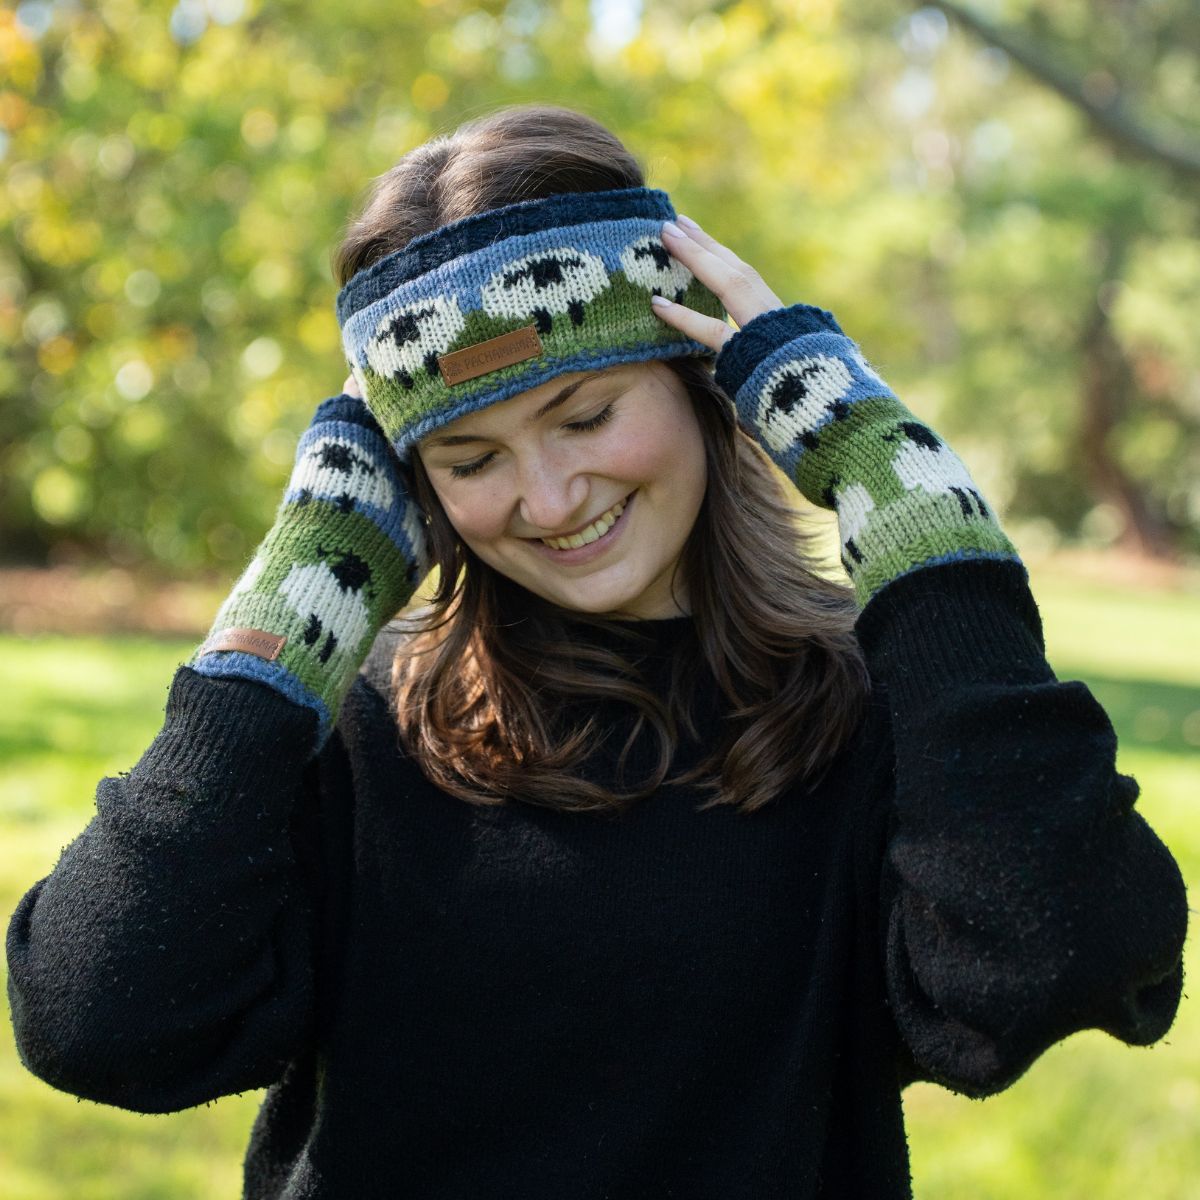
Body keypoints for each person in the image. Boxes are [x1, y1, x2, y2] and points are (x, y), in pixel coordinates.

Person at [6, 104, 1189, 1199]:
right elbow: (102, 1021)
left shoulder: (877, 712)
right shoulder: (363, 728)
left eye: (585, 416)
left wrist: (906, 508)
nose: (551, 495)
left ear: (701, 385)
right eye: (470, 460)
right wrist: (283, 620)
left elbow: (1056, 964)